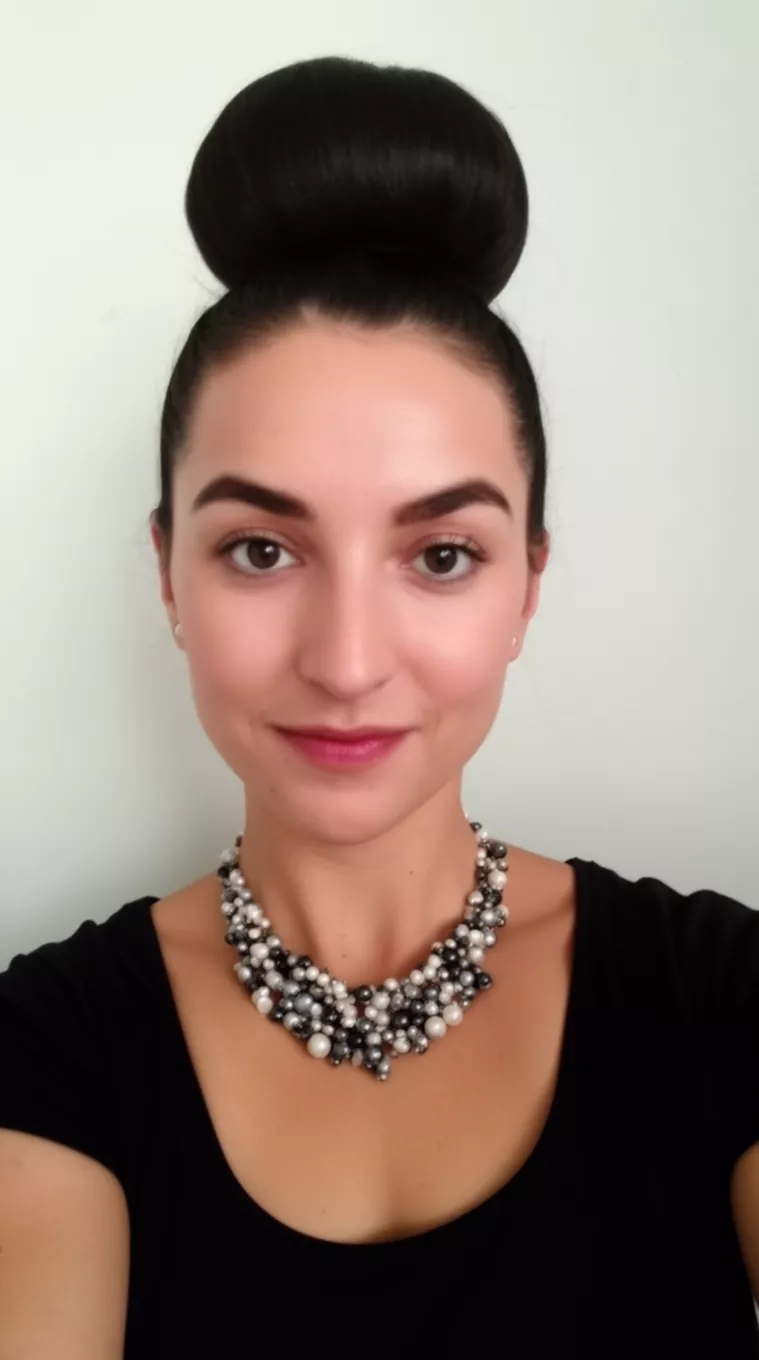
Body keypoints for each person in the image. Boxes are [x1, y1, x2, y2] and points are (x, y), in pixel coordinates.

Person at [0, 53, 757, 1356]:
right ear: (168, 575)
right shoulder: (45, 1055)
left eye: (441, 555)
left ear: (527, 585)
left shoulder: (722, 998)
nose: (347, 662)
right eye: (260, 550)